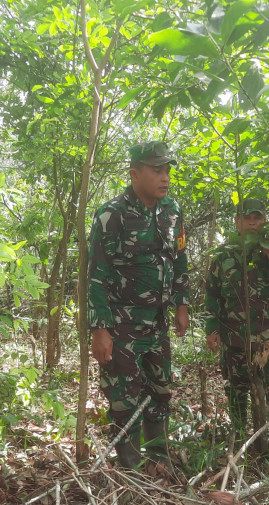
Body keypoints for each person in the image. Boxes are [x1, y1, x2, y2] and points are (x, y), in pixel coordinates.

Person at [87, 141, 189, 471]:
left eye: (167, 171)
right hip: (121, 324)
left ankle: (159, 460)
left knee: (160, 391)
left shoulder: (172, 210)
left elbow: (180, 258)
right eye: (156, 171)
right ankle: (131, 468)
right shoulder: (111, 214)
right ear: (134, 174)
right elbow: (96, 274)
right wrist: (99, 329)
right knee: (124, 399)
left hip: (157, 322)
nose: (165, 178)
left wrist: (181, 304)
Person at [204, 194, 269, 445]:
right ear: (237, 222)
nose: (251, 223)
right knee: (236, 394)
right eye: (246, 218)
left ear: (264, 221)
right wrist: (212, 329)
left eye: (256, 218)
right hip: (234, 338)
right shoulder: (223, 255)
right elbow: (213, 294)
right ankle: (238, 443)